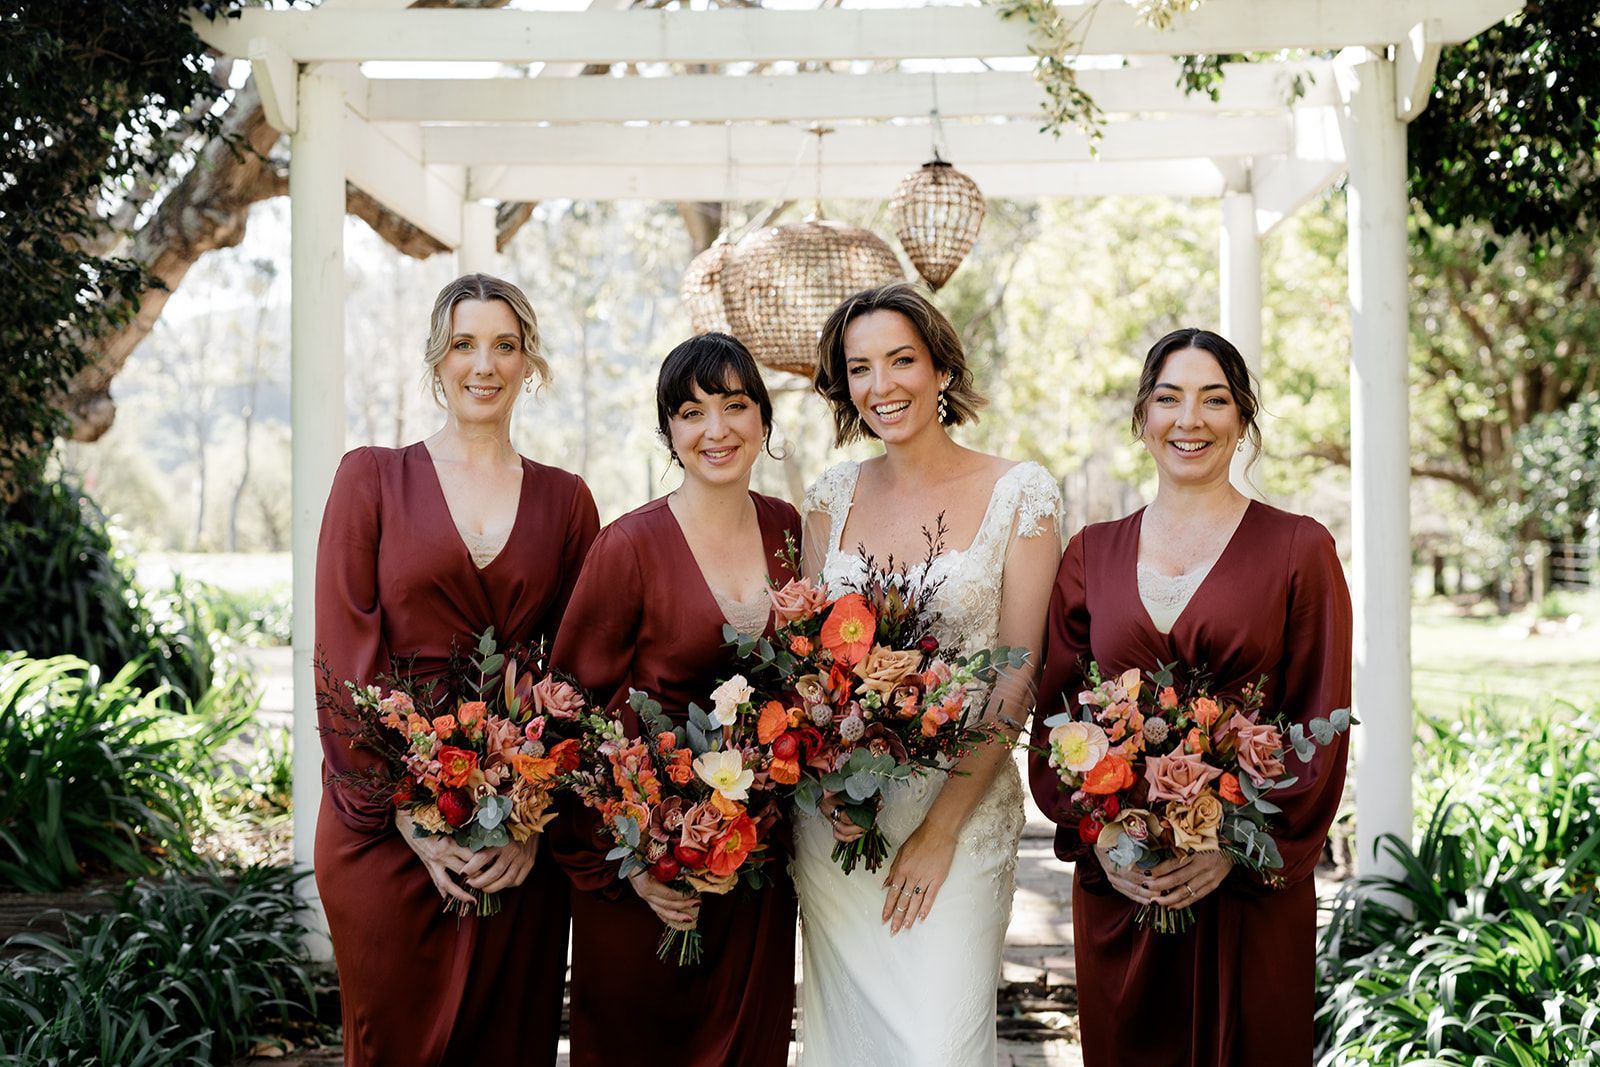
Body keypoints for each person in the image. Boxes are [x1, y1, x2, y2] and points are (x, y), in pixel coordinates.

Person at [1028, 327, 1352, 1066]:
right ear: (1143, 416)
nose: (1190, 420)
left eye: (1214, 400)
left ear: (1242, 419)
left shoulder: (1300, 549)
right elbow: (1058, 717)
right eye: (1169, 399)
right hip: (1124, 886)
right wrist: (1102, 835)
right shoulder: (1090, 552)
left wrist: (1231, 849)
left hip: (1247, 894)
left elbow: (1319, 717)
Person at [313, 274, 599, 1066]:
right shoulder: (368, 478)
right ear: (436, 359)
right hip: (383, 829)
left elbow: (579, 673)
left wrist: (532, 825)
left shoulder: (568, 501)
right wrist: (407, 815)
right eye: (465, 344)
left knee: (508, 1040)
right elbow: (342, 655)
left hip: (513, 831)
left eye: (504, 345)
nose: (485, 364)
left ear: (528, 362)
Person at [793, 283, 1063, 1066]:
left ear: (941, 367)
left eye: (902, 360)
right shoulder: (831, 497)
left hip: (961, 818)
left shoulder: (1022, 492)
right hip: (842, 829)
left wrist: (940, 828)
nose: (883, 386)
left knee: (939, 1047)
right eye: (861, 368)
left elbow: (1017, 678)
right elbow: (815, 672)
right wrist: (836, 787)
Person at [549, 332, 799, 1067]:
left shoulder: (789, 529)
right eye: (691, 412)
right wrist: (630, 862)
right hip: (648, 878)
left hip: (756, 868)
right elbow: (570, 716)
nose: (715, 429)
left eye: (734, 405)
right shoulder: (627, 546)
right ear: (668, 431)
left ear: (763, 419)